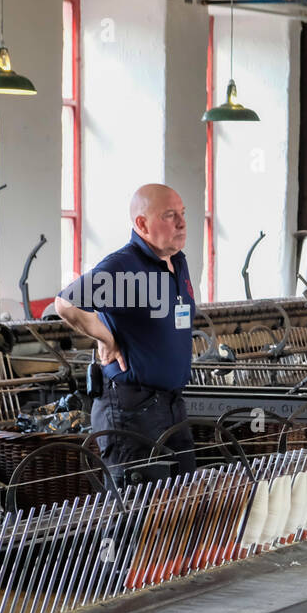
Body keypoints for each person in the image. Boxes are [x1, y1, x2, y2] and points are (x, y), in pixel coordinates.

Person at [54, 184, 197, 481]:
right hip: (133, 409)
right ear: (142, 224)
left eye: (183, 213)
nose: (182, 223)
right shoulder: (125, 266)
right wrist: (106, 338)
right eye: (170, 215)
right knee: (138, 503)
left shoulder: (176, 262)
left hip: (172, 403)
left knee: (184, 497)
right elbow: (66, 303)